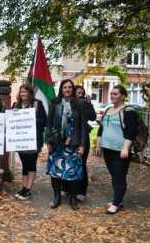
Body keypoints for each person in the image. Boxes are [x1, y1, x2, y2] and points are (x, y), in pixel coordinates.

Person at [96, 85, 137, 215]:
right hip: (108, 149)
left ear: (123, 96)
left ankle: (116, 203)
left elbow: (131, 132)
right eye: (112, 94)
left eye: (115, 94)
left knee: (119, 177)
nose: (112, 96)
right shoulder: (108, 109)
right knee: (114, 176)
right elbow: (101, 128)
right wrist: (98, 145)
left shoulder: (129, 111)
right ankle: (117, 199)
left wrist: (126, 148)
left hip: (120, 150)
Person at [46, 79, 86, 210]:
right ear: (61, 89)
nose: (67, 89)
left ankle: (73, 198)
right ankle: (56, 197)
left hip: (73, 144)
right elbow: (49, 124)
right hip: (57, 143)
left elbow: (82, 126)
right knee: (56, 172)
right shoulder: (55, 103)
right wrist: (49, 141)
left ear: (73, 89)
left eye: (69, 87)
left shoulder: (79, 104)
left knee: (73, 172)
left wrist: (82, 144)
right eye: (64, 87)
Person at [12, 84, 47, 200]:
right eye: (21, 91)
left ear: (30, 93)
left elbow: (44, 121)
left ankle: (28, 189)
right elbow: (11, 121)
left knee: (31, 164)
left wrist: (31, 119)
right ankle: (23, 188)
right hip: (20, 140)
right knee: (24, 165)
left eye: (25, 92)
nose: (23, 94)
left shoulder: (38, 104)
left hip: (33, 140)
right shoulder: (16, 105)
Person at [73, 85, 96, 200]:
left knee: (81, 164)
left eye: (82, 93)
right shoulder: (70, 104)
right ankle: (68, 188)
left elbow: (93, 117)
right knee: (70, 163)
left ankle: (82, 190)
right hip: (70, 138)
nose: (80, 95)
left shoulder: (85, 104)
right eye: (78, 93)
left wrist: (89, 104)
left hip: (83, 138)